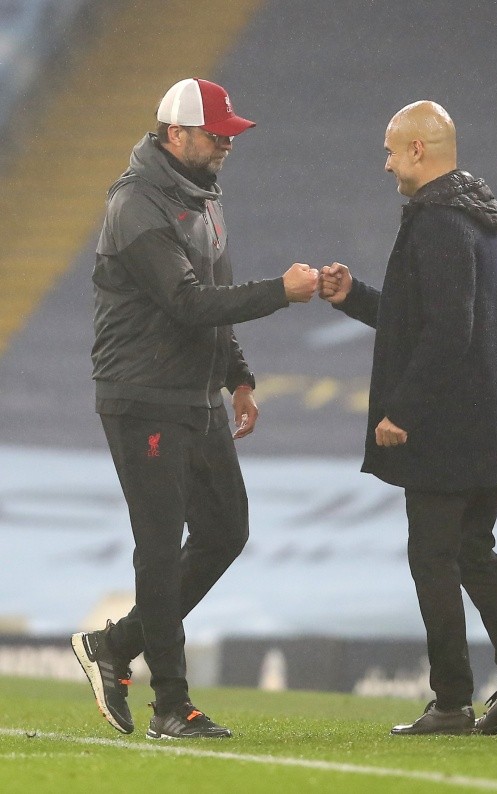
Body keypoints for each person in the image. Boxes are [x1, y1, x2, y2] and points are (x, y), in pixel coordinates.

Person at [72, 77, 318, 740]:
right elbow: (186, 304)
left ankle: (116, 646)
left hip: (194, 393)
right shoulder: (136, 204)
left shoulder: (199, 197)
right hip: (144, 396)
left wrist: (238, 377)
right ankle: (171, 706)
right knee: (157, 547)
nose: (226, 146)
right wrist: (282, 292)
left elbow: (208, 296)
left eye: (228, 135)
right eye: (216, 135)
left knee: (225, 530)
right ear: (175, 134)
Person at [319, 101, 497, 736]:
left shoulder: (438, 220)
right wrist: (354, 297)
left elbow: (449, 330)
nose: (387, 161)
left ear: (420, 150)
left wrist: (403, 409)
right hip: (487, 421)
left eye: (393, 149)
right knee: (476, 552)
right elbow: (424, 317)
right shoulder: (477, 217)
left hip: (447, 428)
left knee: (434, 559)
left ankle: (451, 703)